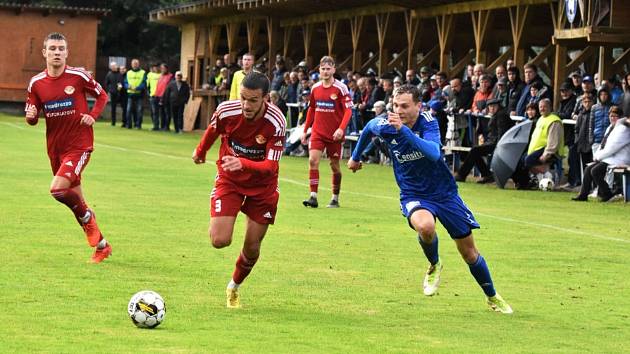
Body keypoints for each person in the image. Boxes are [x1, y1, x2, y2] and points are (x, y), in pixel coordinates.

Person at [347, 84, 512, 314]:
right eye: (395, 105)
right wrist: (356, 157)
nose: (399, 110)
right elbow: (367, 129)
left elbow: (434, 152)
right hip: (413, 193)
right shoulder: (385, 123)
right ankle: (434, 263)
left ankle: (492, 296)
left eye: (404, 106)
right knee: (425, 227)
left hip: (444, 194)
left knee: (469, 253)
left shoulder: (428, 121)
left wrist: (404, 131)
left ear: (418, 105)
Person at [192, 72, 286, 308]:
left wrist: (242, 162)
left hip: (263, 188)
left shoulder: (276, 121)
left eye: (253, 100)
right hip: (230, 180)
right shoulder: (227, 111)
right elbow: (213, 130)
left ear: (266, 98)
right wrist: (200, 152)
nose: (246, 105)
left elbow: (270, 166)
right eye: (243, 98)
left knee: (252, 248)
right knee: (219, 240)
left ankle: (234, 286)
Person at [25, 32, 111, 263]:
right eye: (52, 48)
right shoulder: (36, 84)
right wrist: (31, 116)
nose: (57, 53)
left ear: (66, 53)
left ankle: (89, 218)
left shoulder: (78, 76)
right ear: (44, 53)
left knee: (58, 190)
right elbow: (31, 117)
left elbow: (102, 96)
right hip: (55, 149)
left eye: (61, 49)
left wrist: (93, 115)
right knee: (75, 202)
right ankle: (102, 246)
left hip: (79, 145)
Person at [301, 56, 352, 208]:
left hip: (334, 134)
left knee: (334, 165)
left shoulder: (341, 88)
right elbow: (311, 109)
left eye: (328, 69)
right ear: (319, 70)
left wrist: (341, 129)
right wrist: (305, 130)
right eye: (323, 69)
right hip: (317, 132)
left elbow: (348, 110)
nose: (325, 71)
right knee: (312, 161)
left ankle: (335, 198)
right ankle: (313, 196)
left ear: (334, 70)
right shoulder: (315, 88)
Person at [573, 106, 630, 202]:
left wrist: (598, 156)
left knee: (595, 171)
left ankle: (607, 193)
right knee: (588, 169)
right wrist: (597, 155)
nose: (612, 118)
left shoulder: (623, 129)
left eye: (615, 116)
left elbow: (613, 147)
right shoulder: (610, 127)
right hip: (610, 157)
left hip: (619, 158)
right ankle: (583, 195)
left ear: (620, 117)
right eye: (611, 116)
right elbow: (603, 143)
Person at [454, 98, 514, 183]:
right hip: (492, 141)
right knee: (475, 151)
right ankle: (486, 175)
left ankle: (462, 175)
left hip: (497, 143)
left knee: (475, 150)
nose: (492, 108)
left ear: (498, 106)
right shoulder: (498, 114)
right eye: (490, 106)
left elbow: (502, 132)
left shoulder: (501, 115)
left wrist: (498, 147)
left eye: (494, 106)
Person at [124, 58, 147, 129]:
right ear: (131, 64)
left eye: (136, 64)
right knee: (128, 110)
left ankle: (138, 125)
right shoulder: (128, 73)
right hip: (130, 94)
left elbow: (144, 83)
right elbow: (125, 82)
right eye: (133, 64)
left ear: (138, 64)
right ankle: (129, 125)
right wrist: (128, 86)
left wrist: (136, 88)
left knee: (139, 111)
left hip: (139, 95)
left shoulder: (143, 72)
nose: (134, 65)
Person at [103, 61, 123, 126]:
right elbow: (106, 84)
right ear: (111, 67)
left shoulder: (120, 74)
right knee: (113, 108)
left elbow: (121, 82)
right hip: (113, 93)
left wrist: (120, 87)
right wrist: (109, 90)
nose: (114, 67)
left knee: (123, 107)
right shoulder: (109, 74)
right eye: (113, 66)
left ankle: (124, 122)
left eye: (115, 66)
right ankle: (113, 122)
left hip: (120, 93)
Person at [155, 63, 173, 131]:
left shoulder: (170, 76)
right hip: (158, 96)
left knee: (167, 112)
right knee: (161, 112)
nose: (162, 70)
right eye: (161, 68)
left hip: (166, 97)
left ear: (167, 69)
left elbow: (168, 87)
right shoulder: (160, 76)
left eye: (163, 68)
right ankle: (162, 126)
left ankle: (166, 126)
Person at [146, 64, 162, 130]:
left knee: (159, 112)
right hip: (153, 95)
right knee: (153, 112)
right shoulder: (150, 75)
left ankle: (158, 126)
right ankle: (155, 125)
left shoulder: (161, 75)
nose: (156, 69)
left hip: (160, 96)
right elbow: (147, 85)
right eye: (154, 68)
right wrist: (148, 93)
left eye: (157, 67)